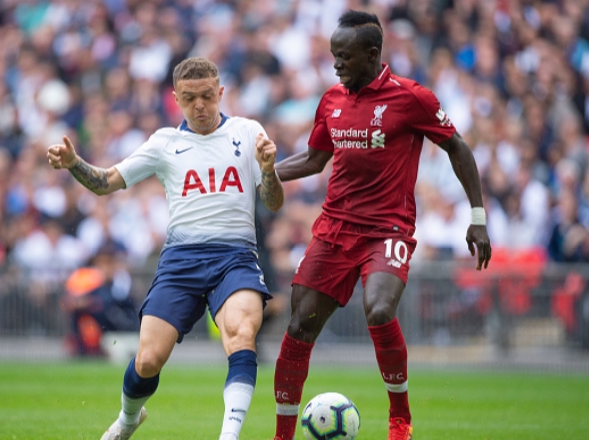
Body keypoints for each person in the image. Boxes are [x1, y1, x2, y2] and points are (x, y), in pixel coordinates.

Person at [271, 10, 491, 440]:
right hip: (334, 229)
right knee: (298, 324)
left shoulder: (413, 99)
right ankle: (282, 436)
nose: (336, 64)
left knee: (379, 308)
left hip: (388, 230)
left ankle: (400, 420)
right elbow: (315, 159)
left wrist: (477, 217)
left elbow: (459, 149)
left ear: (372, 55)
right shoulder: (332, 100)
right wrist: (265, 173)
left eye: (344, 56)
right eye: (334, 55)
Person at [47, 57, 284, 440]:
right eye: (190, 98)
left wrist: (269, 170)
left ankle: (229, 436)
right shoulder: (164, 143)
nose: (200, 105)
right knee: (148, 359)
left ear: (220, 92)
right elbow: (106, 182)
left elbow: (273, 203)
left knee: (242, 335)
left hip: (235, 257)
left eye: (207, 96)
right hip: (181, 262)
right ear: (175, 98)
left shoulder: (247, 132)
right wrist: (75, 163)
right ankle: (127, 420)